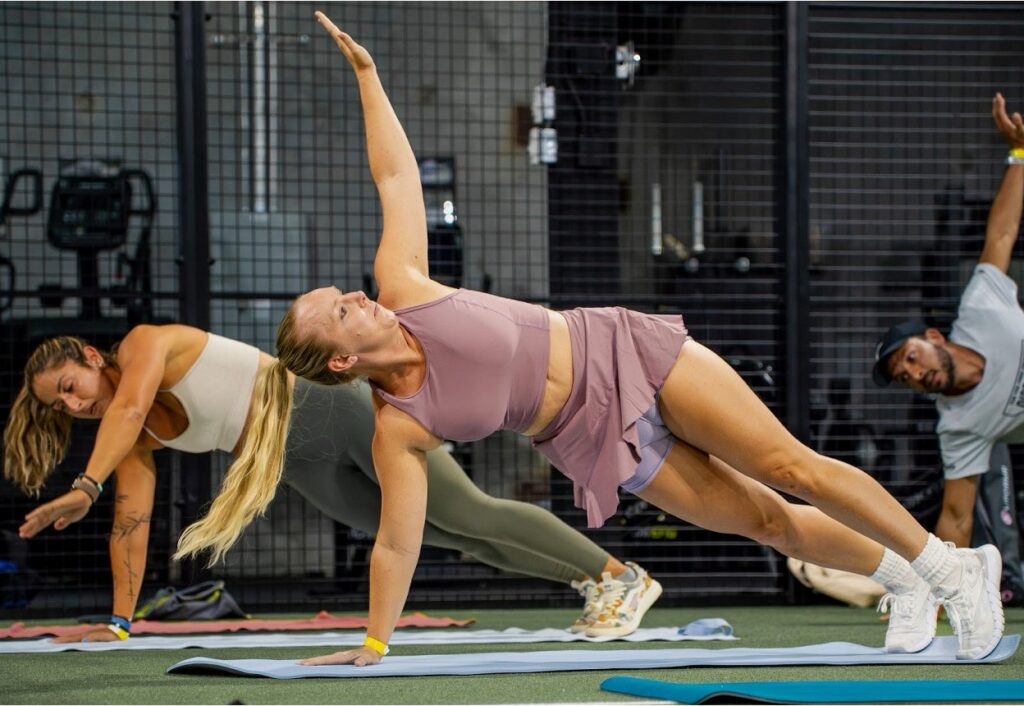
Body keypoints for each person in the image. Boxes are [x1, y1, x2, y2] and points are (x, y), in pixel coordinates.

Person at [175, 12, 1005, 666]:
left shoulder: (404, 283)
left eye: (344, 293)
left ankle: (951, 568)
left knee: (789, 468)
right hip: (589, 438)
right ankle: (904, 580)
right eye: (341, 310)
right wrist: (373, 642)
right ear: (342, 359)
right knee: (768, 522)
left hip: (623, 355)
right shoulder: (398, 428)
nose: (356, 295)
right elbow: (396, 542)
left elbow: (394, 175)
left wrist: (368, 74)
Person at [4, 327, 662, 642]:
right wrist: (119, 622)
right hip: (296, 461)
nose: (75, 405)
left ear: (92, 357)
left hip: (326, 405)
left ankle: (620, 575)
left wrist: (84, 484)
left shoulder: (144, 345)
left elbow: (123, 409)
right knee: (446, 536)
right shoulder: (135, 436)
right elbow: (132, 518)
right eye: (61, 406)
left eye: (71, 387)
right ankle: (594, 584)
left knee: (468, 510)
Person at [871, 92, 1024, 602]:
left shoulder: (981, 307)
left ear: (935, 337)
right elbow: (956, 519)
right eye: (905, 377)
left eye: (911, 357)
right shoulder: (958, 427)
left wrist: (1019, 154)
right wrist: (932, 594)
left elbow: (1001, 233)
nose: (915, 374)